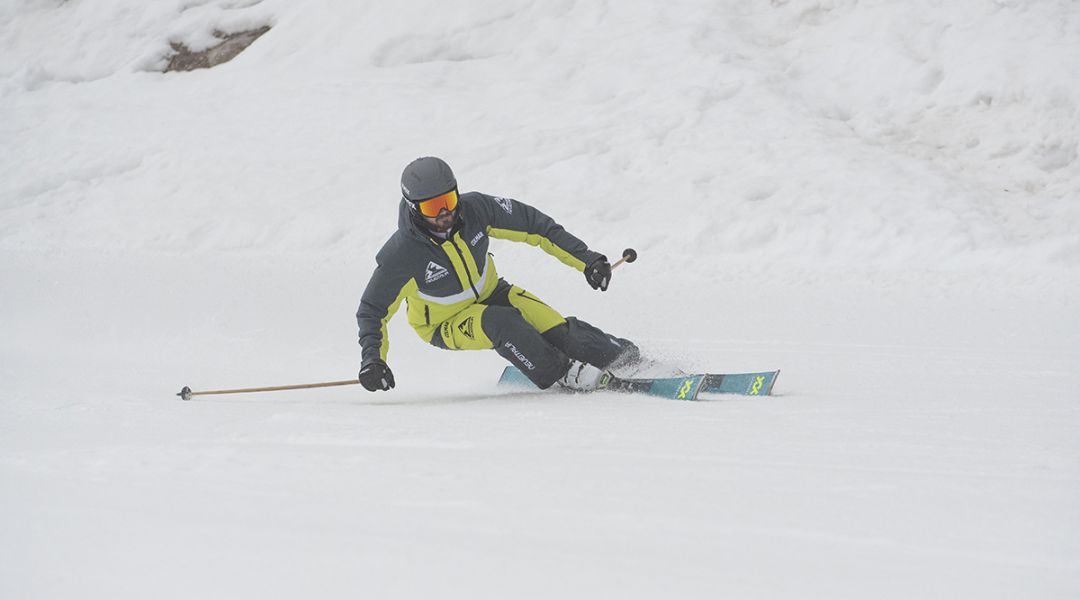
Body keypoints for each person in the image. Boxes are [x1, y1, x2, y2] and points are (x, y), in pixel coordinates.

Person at [356, 156, 640, 393]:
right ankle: (563, 371)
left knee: (561, 332)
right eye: (432, 207)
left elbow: (534, 226)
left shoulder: (475, 210)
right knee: (500, 322)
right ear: (414, 208)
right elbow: (372, 310)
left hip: (494, 292)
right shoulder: (402, 254)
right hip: (446, 323)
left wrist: (587, 261)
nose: (445, 212)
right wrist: (373, 360)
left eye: (449, 199)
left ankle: (622, 355)